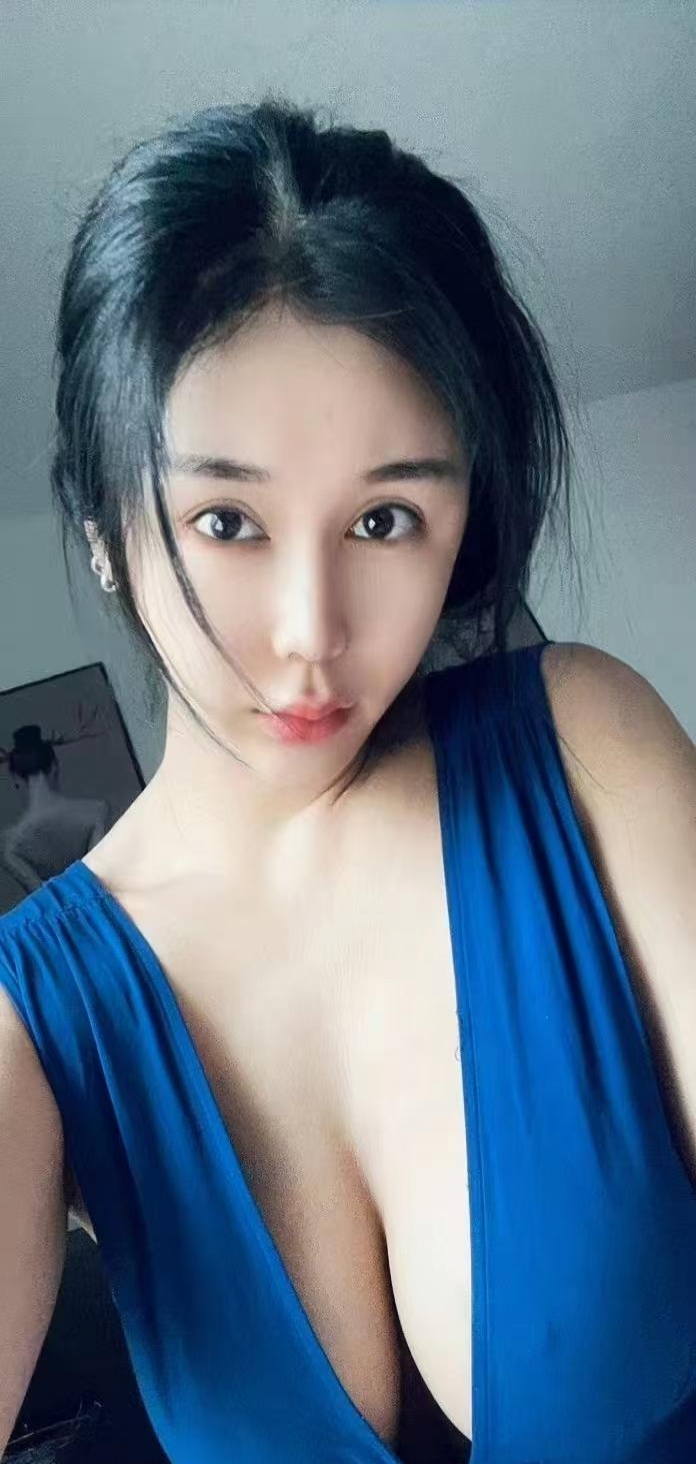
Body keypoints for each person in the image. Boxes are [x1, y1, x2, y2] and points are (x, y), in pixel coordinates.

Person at [1, 93, 695, 1464]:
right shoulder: (35, 1017)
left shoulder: (582, 751)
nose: (311, 630)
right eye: (226, 521)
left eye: (386, 518)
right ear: (101, 529)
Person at [0, 725, 110, 902]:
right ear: (54, 766)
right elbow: (96, 877)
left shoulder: (11, 846)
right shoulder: (96, 812)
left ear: (16, 778)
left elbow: (46, 900)